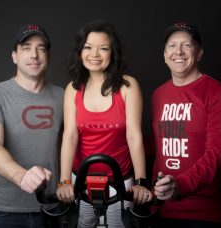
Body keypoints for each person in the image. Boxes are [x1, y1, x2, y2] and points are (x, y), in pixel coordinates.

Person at [56, 20, 152, 227]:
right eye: (88, 47)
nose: (95, 54)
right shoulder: (73, 89)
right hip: (81, 179)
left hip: (120, 179)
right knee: (84, 223)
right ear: (80, 52)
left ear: (113, 53)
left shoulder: (128, 86)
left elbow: (134, 136)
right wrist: (64, 181)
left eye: (103, 48)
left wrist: (141, 183)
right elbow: (70, 136)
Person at [0, 24, 64, 228]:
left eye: (41, 48)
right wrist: (22, 176)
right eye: (26, 48)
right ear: (14, 56)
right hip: (4, 211)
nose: (34, 54)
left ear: (48, 56)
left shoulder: (64, 96)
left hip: (52, 207)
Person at [151, 22, 221, 227]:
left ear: (199, 53)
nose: (178, 51)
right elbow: (159, 147)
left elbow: (218, 153)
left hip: (203, 213)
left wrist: (180, 185)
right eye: (172, 45)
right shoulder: (158, 95)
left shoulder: (220, 94)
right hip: (161, 210)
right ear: (164, 55)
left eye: (186, 45)